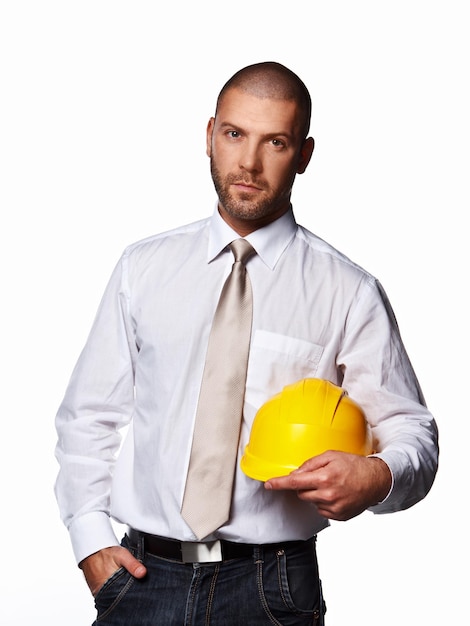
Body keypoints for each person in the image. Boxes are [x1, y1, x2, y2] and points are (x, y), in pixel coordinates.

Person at [55, 61, 438, 625]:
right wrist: (90, 541)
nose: (249, 163)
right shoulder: (144, 267)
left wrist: (379, 477)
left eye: (275, 142)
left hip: (272, 589)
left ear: (304, 155)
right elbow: (89, 415)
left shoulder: (348, 290)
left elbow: (414, 434)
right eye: (234, 135)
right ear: (210, 135)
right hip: (141, 579)